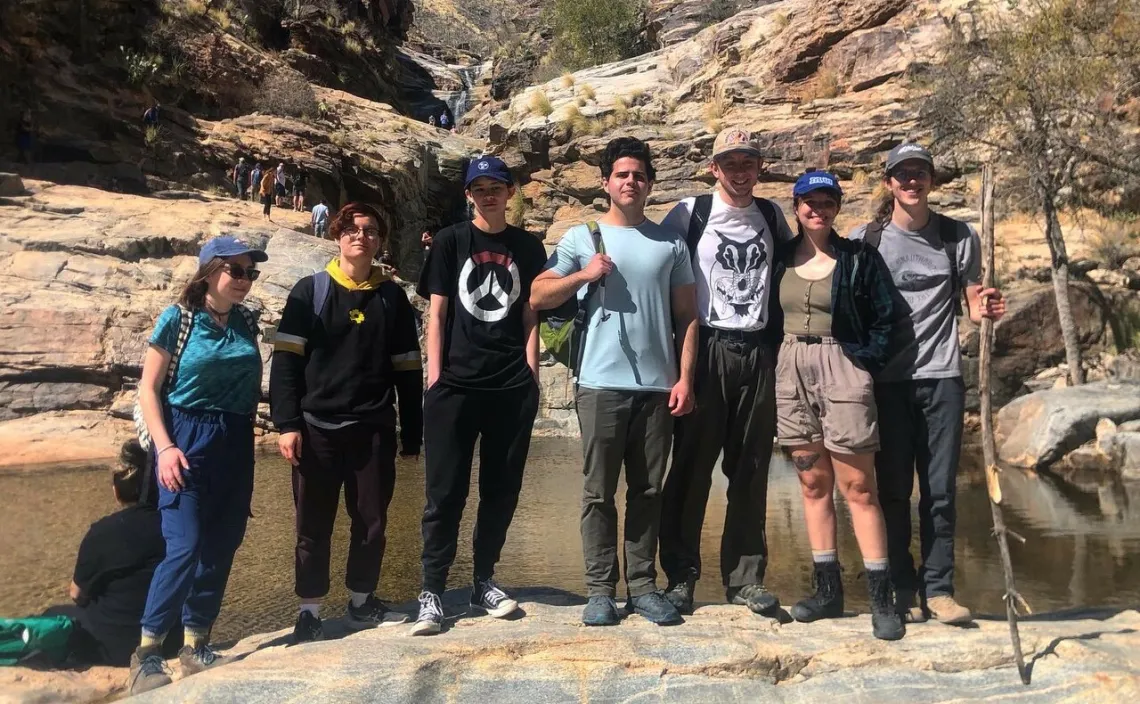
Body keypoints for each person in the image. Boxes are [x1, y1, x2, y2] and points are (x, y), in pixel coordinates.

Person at [532, 137, 698, 627]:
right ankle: (601, 590)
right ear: (606, 182)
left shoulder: (671, 243)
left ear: (650, 183)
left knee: (649, 491)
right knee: (598, 492)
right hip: (600, 384)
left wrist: (685, 378)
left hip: (656, 387)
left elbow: (688, 316)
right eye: (622, 174)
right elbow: (539, 295)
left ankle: (643, 587)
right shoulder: (582, 237)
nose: (631, 181)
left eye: (639, 174)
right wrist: (583, 276)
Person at [848, 143, 1006, 626]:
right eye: (902, 174)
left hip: (942, 379)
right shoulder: (866, 239)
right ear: (889, 181)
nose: (911, 182)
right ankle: (900, 585)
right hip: (888, 383)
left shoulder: (959, 237)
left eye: (919, 174)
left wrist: (986, 309)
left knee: (939, 492)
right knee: (893, 490)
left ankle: (939, 589)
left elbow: (974, 301)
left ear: (931, 180)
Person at [271, 202, 423, 643]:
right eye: (352, 229)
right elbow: (285, 364)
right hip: (316, 428)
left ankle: (361, 600)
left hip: (372, 429)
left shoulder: (391, 297)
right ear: (337, 236)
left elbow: (408, 368)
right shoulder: (309, 291)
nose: (361, 236)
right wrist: (287, 424)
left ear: (380, 241)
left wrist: (411, 434)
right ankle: (309, 611)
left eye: (371, 230)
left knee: (372, 521)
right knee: (312, 525)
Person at [656, 127, 793, 617]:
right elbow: (656, 269)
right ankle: (679, 576)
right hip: (706, 348)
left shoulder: (773, 215)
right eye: (730, 163)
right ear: (713, 168)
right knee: (692, 469)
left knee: (751, 469)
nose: (740, 172)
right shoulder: (690, 214)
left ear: (759, 167)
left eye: (748, 163)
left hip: (756, 351)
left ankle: (745, 581)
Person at [410, 156, 546, 636]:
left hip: (511, 386)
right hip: (455, 387)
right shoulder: (450, 241)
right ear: (469, 194)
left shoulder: (528, 246)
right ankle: (431, 591)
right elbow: (439, 315)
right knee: (443, 493)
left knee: (500, 492)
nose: (488, 194)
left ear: (511, 192)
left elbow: (531, 314)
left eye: (497, 186)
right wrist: (435, 378)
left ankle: (483, 580)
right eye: (479, 187)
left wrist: (530, 373)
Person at [130, 236, 267, 695]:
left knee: (222, 544)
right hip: (185, 439)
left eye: (251, 272)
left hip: (235, 441)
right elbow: (149, 388)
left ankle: (196, 644)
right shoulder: (177, 318)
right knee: (184, 545)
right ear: (209, 271)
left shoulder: (248, 321)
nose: (245, 281)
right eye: (237, 271)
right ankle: (147, 652)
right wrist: (165, 448)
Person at [770, 171, 904, 641]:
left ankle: (883, 598)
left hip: (841, 366)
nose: (817, 210)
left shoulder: (858, 258)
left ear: (836, 208)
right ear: (796, 206)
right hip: (790, 368)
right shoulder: (780, 257)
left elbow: (891, 318)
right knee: (812, 483)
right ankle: (828, 592)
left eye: (827, 202)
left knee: (859, 488)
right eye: (809, 202)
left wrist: (862, 362)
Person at [38, 441, 183, 667]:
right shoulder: (179, 527)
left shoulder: (102, 532)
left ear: (117, 490)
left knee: (51, 615)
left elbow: (77, 594)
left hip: (113, 650)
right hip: (172, 642)